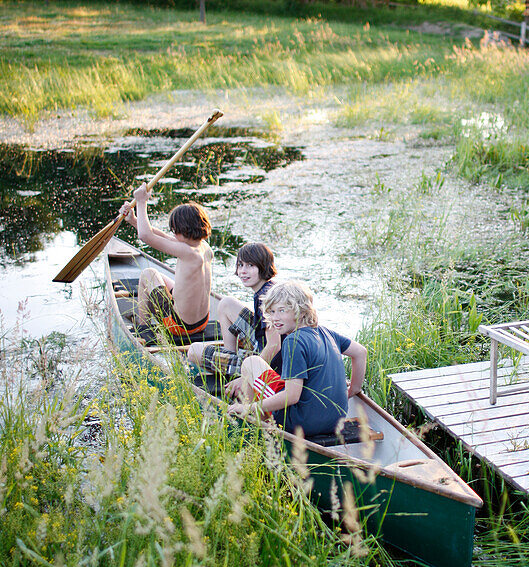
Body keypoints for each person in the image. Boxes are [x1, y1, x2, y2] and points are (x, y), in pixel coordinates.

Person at [227, 279, 367, 438]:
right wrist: (354, 389)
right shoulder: (326, 332)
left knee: (251, 363)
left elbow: (292, 396)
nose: (275, 318)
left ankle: (259, 429)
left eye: (282, 311)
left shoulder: (293, 341)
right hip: (335, 422)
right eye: (271, 312)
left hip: (300, 424)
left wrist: (249, 407)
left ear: (301, 310)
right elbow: (360, 352)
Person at [120, 184, 213, 341]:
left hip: (179, 326)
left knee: (148, 274)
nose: (173, 234)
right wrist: (134, 220)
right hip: (202, 323)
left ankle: (144, 329)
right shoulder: (203, 247)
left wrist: (141, 201)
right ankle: (147, 322)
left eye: (175, 230)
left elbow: (145, 236)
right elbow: (162, 236)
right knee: (161, 278)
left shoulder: (187, 252)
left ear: (183, 230)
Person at [187, 242, 279, 377]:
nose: (243, 271)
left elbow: (275, 345)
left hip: (268, 365)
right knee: (226, 303)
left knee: (194, 350)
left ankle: (234, 371)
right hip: (261, 345)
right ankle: (229, 356)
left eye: (250, 265)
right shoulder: (269, 289)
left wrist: (249, 374)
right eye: (240, 265)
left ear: (264, 266)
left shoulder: (266, 299)